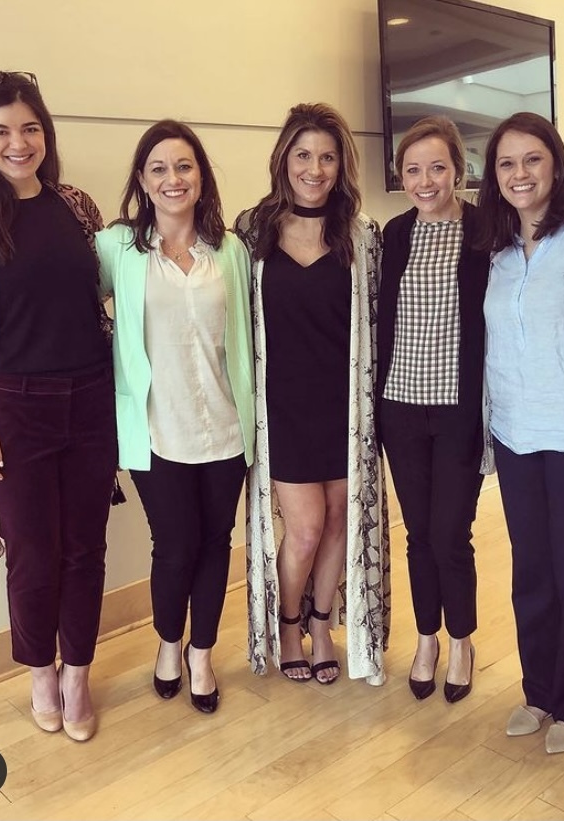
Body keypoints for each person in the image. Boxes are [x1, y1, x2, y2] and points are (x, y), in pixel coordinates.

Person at [0, 71, 117, 741]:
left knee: (85, 549)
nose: (19, 142)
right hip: (15, 407)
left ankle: (77, 674)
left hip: (91, 399)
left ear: (46, 133)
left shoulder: (77, 206)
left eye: (30, 127)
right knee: (35, 553)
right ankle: (40, 671)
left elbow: (108, 297)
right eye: (1, 130)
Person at [96, 120, 254, 715]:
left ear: (201, 176)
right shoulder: (117, 249)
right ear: (142, 180)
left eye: (184, 166)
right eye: (158, 168)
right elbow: (73, 305)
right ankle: (168, 644)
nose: (173, 178)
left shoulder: (230, 251)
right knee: (174, 545)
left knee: (216, 542)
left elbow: (248, 337)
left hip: (227, 427)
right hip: (157, 430)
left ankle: (201, 653)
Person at [234, 102, 390, 686]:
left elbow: (376, 323)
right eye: (303, 155)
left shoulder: (361, 235)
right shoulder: (252, 232)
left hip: (344, 408)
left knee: (338, 524)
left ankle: (323, 627)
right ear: (284, 160)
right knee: (302, 529)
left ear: (341, 165)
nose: (314, 169)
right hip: (281, 410)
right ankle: (288, 624)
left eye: (327, 157)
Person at [476, 112, 564, 752]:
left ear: (557, 166)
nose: (520, 173)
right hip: (515, 433)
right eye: (506, 163)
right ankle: (539, 692)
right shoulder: (499, 253)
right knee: (531, 570)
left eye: (532, 159)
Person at [376, 115, 489, 703]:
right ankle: (426, 639)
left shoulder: (484, 231)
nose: (425, 181)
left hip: (457, 410)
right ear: (402, 176)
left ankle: (462, 640)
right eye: (413, 170)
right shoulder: (394, 235)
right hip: (401, 406)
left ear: (459, 170)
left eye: (437, 168)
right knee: (418, 533)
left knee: (451, 534)